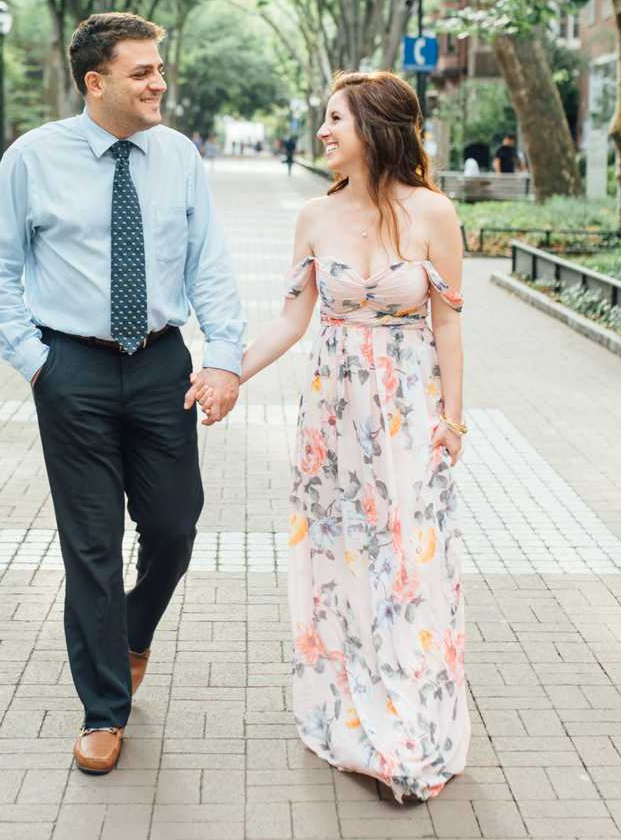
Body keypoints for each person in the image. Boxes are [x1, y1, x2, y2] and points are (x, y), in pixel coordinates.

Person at [0, 12, 245, 776]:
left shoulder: (179, 157)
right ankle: (102, 710)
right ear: (96, 82)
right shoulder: (33, 159)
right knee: (89, 546)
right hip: (73, 372)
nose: (160, 82)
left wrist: (223, 359)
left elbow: (210, 267)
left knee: (175, 524)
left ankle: (133, 631)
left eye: (159, 68)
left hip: (161, 364)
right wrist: (37, 364)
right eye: (142, 72)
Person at [194, 71, 468, 802]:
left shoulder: (435, 213)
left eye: (334, 119)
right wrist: (228, 374)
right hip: (335, 418)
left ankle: (408, 721)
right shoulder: (315, 216)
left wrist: (454, 418)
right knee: (342, 556)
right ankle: (351, 708)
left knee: (407, 562)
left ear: (376, 129)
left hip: (409, 413)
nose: (322, 132)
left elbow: (447, 322)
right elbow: (291, 320)